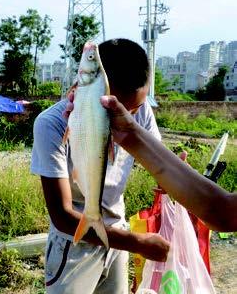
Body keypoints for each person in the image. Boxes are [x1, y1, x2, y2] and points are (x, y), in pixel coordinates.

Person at [30, 38, 169, 294]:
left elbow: (157, 158)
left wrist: (168, 179)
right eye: (124, 109)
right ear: (100, 93)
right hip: (75, 242)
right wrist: (136, 243)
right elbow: (62, 216)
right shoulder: (53, 124)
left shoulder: (139, 108)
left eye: (136, 110)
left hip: (116, 232)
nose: (132, 117)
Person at [65, 93, 237, 232]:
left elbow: (224, 213)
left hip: (115, 226)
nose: (134, 113)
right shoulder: (53, 122)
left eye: (137, 108)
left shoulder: (142, 111)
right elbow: (221, 212)